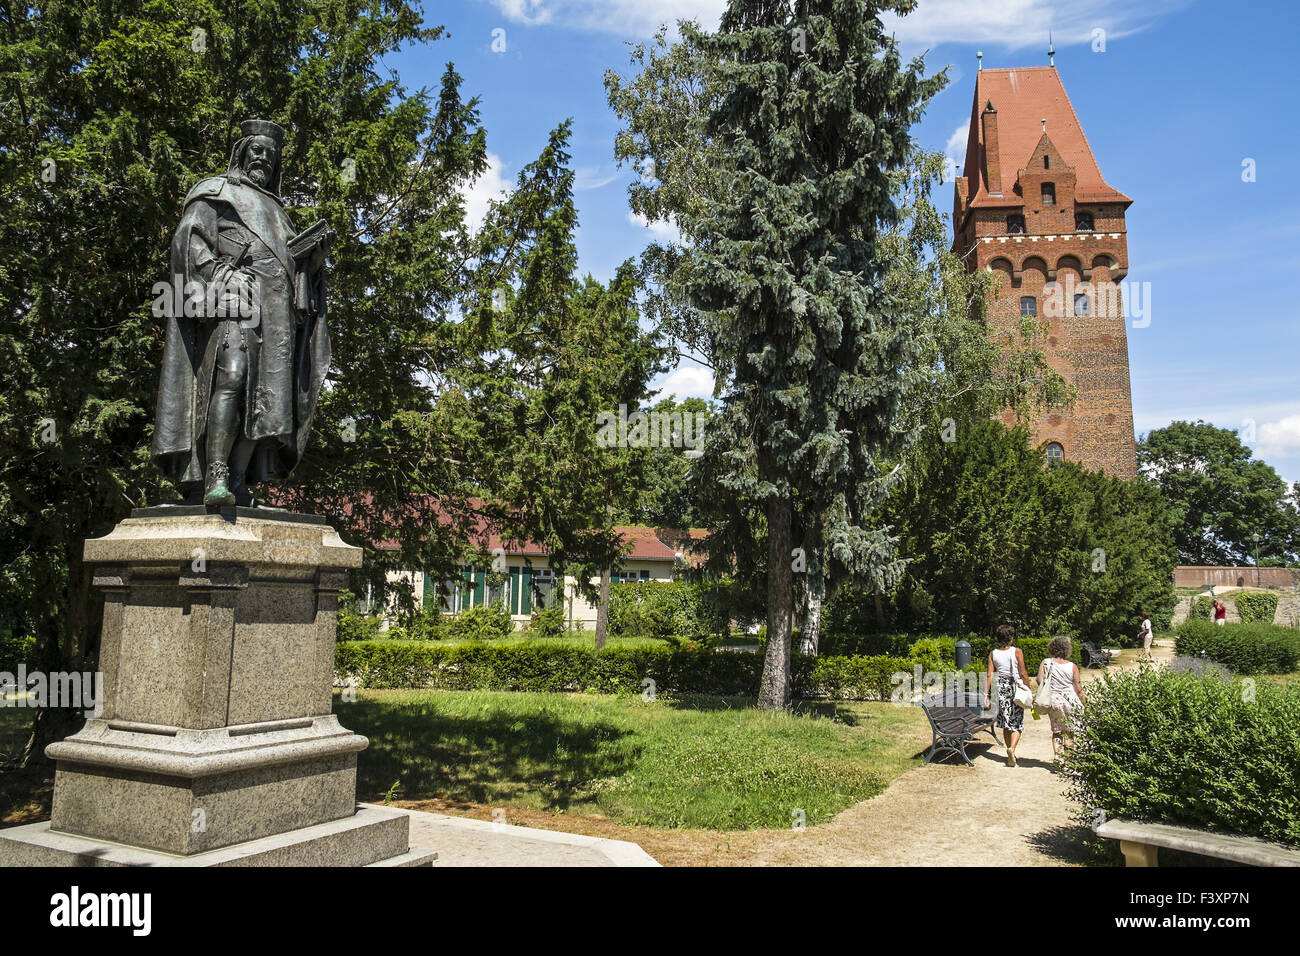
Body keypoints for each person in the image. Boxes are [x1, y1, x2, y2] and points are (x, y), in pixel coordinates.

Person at [982, 624, 1032, 767]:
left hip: (1000, 688)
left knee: (1005, 722)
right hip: (1014, 687)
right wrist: (1028, 688)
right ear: (1010, 637)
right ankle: (1012, 749)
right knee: (1017, 721)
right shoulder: (1017, 651)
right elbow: (1023, 673)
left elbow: (989, 675)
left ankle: (1009, 750)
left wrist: (986, 694)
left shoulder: (993, 653)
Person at [1037, 636, 1086, 758]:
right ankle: (1069, 762)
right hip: (1070, 701)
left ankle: (1058, 758)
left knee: (1057, 731)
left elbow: (1039, 680)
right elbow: (1077, 686)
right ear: (1067, 649)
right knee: (1069, 733)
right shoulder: (1072, 666)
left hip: (1054, 700)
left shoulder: (1046, 662)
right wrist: (1085, 702)